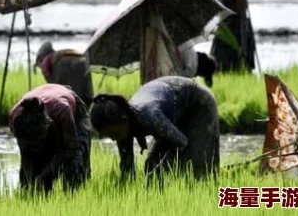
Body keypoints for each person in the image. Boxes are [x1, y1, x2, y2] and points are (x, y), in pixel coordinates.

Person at [90, 76, 219, 184]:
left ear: (124, 120)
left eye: (115, 134)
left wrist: (164, 165)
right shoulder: (122, 128)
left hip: (198, 105)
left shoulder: (151, 117)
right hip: (172, 107)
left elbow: (181, 142)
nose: (114, 139)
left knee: (196, 168)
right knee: (151, 165)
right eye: (110, 137)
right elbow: (127, 168)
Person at [10, 84, 91, 193]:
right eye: (32, 144)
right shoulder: (16, 118)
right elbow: (26, 155)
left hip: (74, 112)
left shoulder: (62, 110)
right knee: (29, 181)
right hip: (49, 104)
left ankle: (73, 201)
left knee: (74, 166)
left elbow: (70, 149)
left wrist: (45, 174)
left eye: (38, 143)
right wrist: (32, 181)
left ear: (47, 126)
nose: (36, 147)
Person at [210, 0, 256, 72]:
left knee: (234, 66)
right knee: (217, 65)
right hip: (220, 29)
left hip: (233, 32)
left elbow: (242, 15)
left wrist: (243, 43)